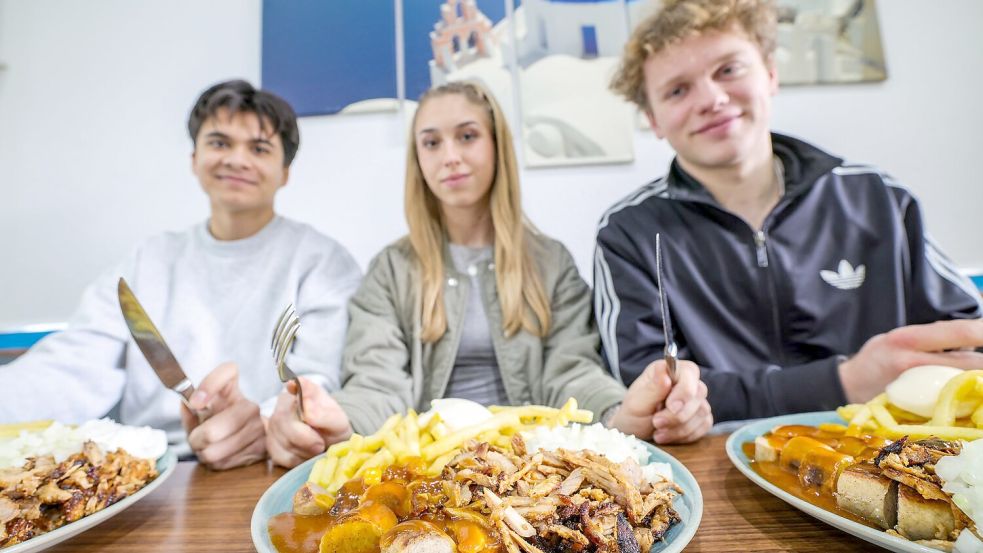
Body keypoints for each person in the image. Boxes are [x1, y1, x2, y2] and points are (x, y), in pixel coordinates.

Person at [265, 81, 713, 468]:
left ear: (497, 145)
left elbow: (572, 371)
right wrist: (336, 419)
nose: (450, 156)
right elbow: (377, 382)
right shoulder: (390, 270)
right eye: (432, 142)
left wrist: (620, 411)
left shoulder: (550, 261)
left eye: (467, 136)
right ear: (417, 159)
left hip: (534, 465)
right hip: (430, 468)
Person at [595, 0, 983, 424]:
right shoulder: (628, 233)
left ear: (771, 73)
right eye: (677, 90)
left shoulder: (878, 197)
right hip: (718, 467)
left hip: (890, 449)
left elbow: (966, 336)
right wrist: (845, 380)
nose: (712, 98)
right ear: (653, 119)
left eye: (728, 70)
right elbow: (650, 395)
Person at [0, 80, 362, 469]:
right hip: (149, 469)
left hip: (273, 466)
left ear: (285, 172)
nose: (237, 160)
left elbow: (318, 380)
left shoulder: (323, 261)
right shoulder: (148, 259)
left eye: (259, 148)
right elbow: (75, 363)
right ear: (195, 158)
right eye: (220, 143)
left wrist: (269, 424)